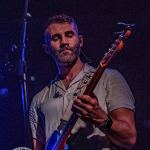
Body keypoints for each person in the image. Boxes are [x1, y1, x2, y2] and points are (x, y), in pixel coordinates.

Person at [29, 14, 136, 150]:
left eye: (69, 35)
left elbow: (129, 139)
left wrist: (101, 118)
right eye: (56, 38)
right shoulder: (38, 100)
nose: (64, 42)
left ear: (80, 41)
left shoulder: (109, 78)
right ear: (46, 48)